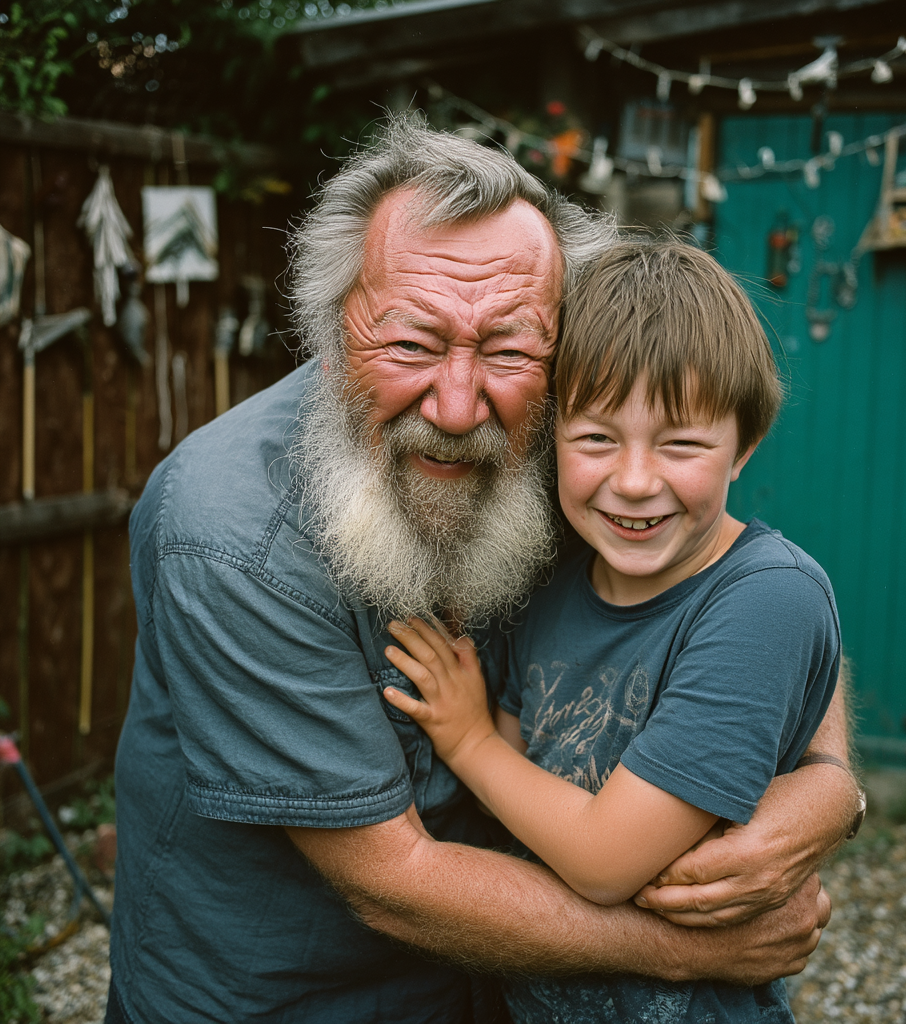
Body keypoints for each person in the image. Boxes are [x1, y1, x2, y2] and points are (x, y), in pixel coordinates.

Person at [107, 118, 861, 1024]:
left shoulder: (574, 447)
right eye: (413, 344)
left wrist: (829, 790)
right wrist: (695, 948)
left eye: (507, 348)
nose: (460, 407)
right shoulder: (227, 534)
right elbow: (394, 881)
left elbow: (756, 600)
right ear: (333, 325)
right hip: (277, 1001)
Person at [382, 237, 844, 1023]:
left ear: (746, 445)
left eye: (681, 443)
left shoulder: (766, 600)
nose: (634, 481)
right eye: (596, 439)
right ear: (551, 439)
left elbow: (601, 862)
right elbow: (524, 783)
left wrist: (468, 743)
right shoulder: (553, 576)